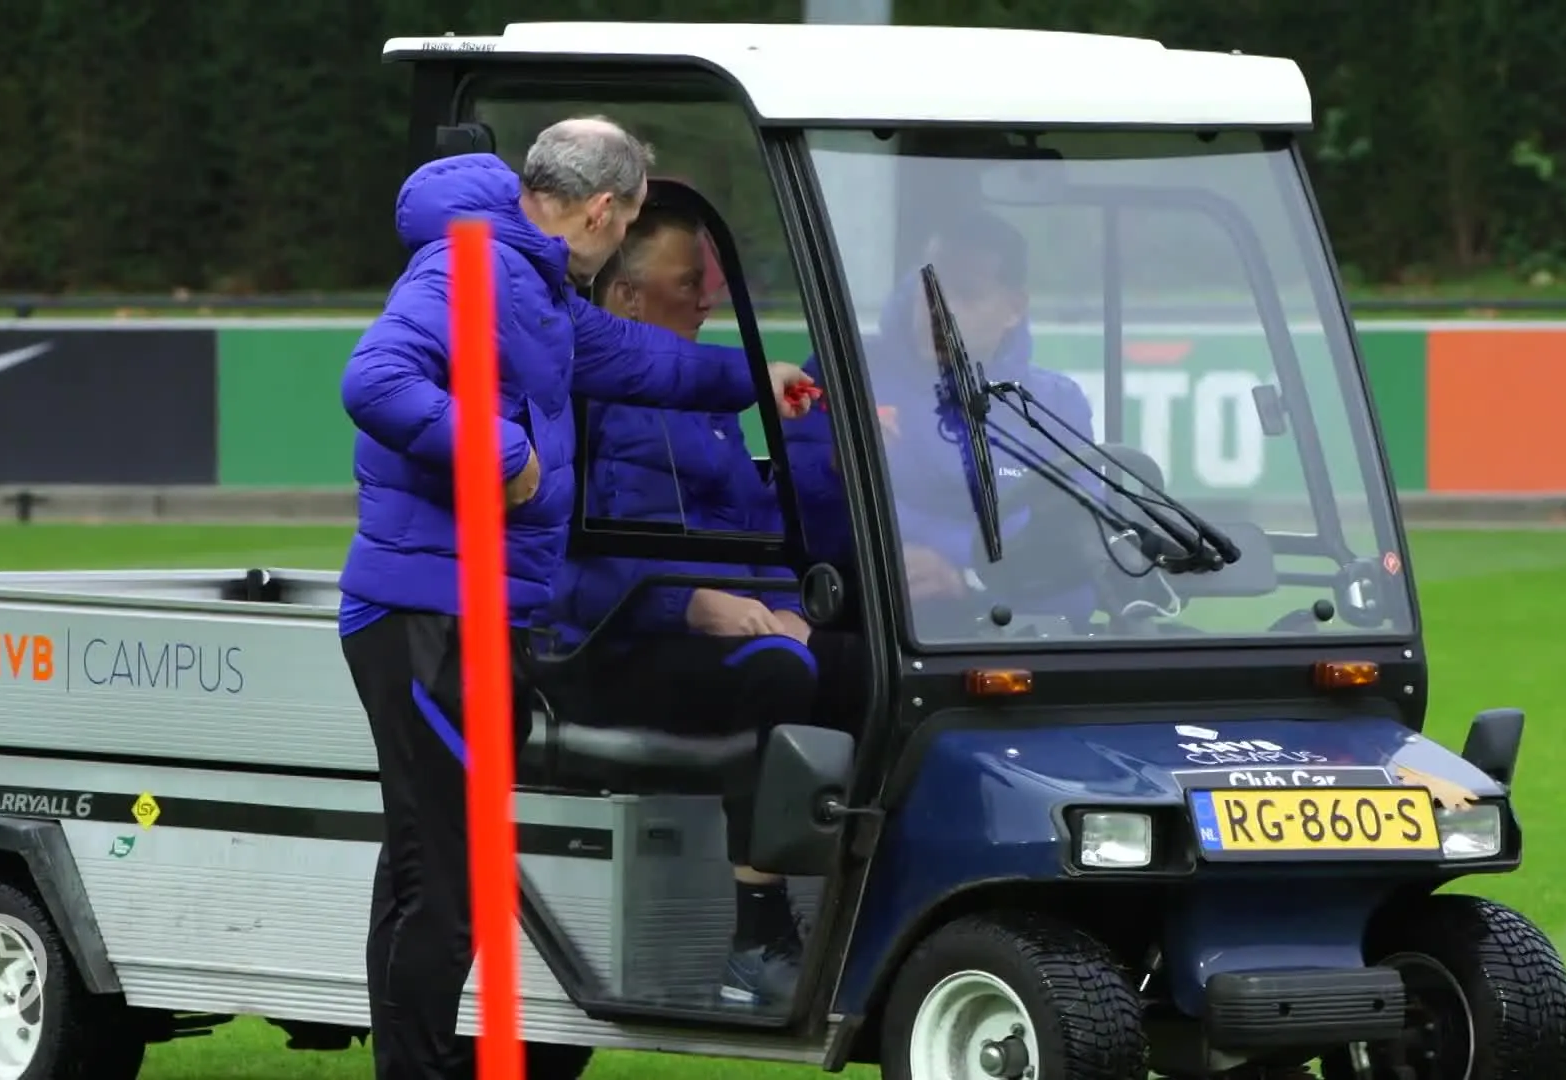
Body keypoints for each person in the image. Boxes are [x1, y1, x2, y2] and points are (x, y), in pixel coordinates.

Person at [336, 117, 815, 1080]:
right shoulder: (472, 269)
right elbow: (374, 378)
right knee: (450, 887)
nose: (623, 233)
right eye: (629, 218)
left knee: (428, 872)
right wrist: (502, 452)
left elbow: (645, 360)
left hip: (468, 617)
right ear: (601, 209)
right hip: (431, 618)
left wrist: (757, 380)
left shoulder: (534, 288)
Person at [552, 201, 861, 1009]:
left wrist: (790, 604)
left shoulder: (710, 405)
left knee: (870, 669)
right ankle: (755, 934)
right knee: (777, 673)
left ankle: (867, 902)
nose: (707, 298)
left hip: (712, 634)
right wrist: (689, 605)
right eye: (688, 283)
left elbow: (752, 532)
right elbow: (561, 567)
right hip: (610, 646)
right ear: (626, 297)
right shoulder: (573, 403)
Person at [783, 209, 1102, 634]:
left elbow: (1081, 561)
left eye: (965, 295)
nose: (937, 310)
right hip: (871, 630)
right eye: (928, 288)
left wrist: (966, 578)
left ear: (1014, 308)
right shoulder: (841, 372)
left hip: (1013, 638)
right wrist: (839, 473)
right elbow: (791, 507)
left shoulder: (1057, 404)